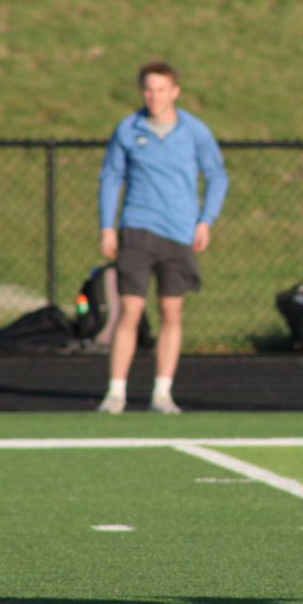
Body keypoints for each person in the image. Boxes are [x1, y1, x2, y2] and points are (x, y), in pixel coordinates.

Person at [96, 61, 228, 414]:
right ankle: (116, 393)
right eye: (148, 89)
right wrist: (107, 225)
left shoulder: (194, 131)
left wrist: (205, 221)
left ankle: (162, 393)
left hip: (179, 232)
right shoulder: (128, 129)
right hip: (137, 230)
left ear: (175, 92)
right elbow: (111, 177)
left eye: (161, 89)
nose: (154, 96)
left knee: (171, 310)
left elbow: (217, 175)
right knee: (130, 310)